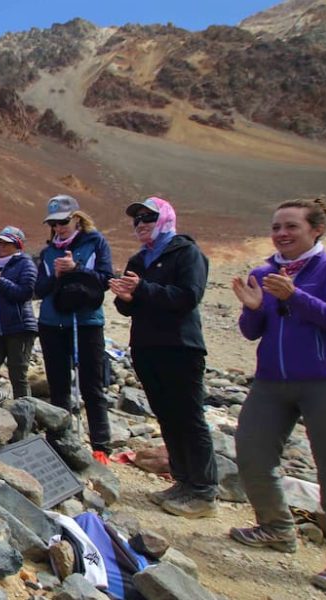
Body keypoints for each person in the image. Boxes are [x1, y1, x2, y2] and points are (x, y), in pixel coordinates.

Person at [227, 198, 326, 595]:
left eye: (291, 226)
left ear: (316, 229)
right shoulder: (264, 272)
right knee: (252, 453)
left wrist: (295, 297)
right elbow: (253, 331)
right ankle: (276, 527)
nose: (281, 234)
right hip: (273, 381)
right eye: (276, 227)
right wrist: (253, 309)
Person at [109, 198, 217, 516]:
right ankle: (183, 481)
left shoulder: (186, 253)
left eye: (148, 218)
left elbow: (188, 296)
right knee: (166, 416)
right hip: (146, 346)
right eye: (137, 219)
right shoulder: (139, 259)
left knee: (189, 416)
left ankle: (204, 490)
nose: (141, 223)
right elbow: (129, 306)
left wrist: (142, 290)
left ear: (166, 218)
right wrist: (126, 298)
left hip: (181, 346)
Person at [34, 194, 113, 463]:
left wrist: (76, 268)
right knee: (59, 385)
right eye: (54, 223)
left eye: (63, 221)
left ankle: (101, 444)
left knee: (92, 384)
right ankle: (61, 441)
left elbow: (105, 279)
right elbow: (38, 289)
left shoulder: (96, 243)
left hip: (86, 322)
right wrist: (55, 276)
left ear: (76, 218)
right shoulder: (47, 252)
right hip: (51, 323)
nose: (58, 227)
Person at [0, 226, 37, 399]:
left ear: (17, 245)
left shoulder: (26, 264)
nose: (1, 247)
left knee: (18, 374)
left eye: (6, 243)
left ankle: (25, 410)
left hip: (20, 327)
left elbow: (25, 293)